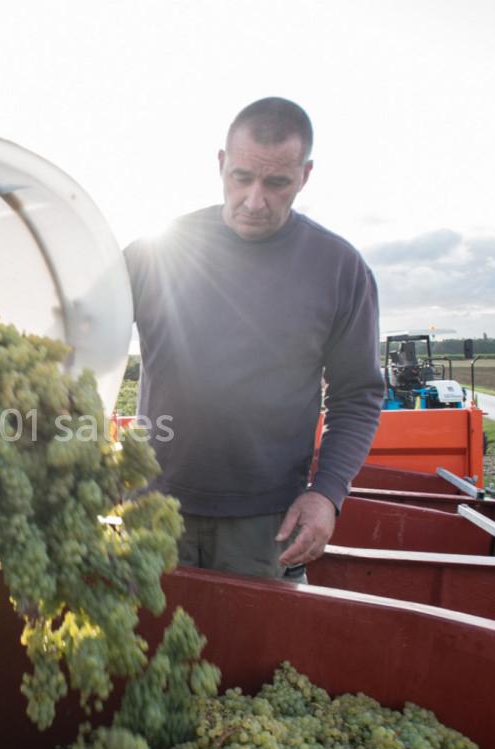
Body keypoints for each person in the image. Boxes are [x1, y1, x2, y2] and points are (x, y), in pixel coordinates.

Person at [125, 97, 383, 580]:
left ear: (304, 176)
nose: (254, 200)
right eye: (241, 178)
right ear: (221, 164)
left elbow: (359, 394)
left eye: (277, 183)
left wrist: (327, 492)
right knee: (144, 646)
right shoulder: (154, 253)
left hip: (266, 524)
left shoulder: (338, 269)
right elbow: (78, 341)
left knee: (255, 650)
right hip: (151, 503)